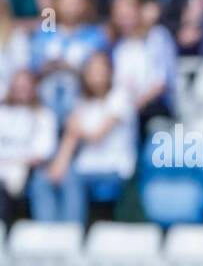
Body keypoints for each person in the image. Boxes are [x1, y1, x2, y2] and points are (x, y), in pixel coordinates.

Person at [38, 51, 136, 224]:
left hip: (114, 167)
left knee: (71, 178)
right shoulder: (80, 100)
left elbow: (95, 135)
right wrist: (58, 165)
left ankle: (69, 232)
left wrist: (75, 128)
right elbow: (70, 137)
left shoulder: (120, 96)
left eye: (100, 70)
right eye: (91, 71)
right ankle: (48, 230)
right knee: (42, 178)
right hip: (85, 166)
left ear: (110, 72)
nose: (96, 75)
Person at [28, 0, 107, 120]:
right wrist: (49, 66)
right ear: (56, 2)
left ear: (85, 4)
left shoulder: (95, 36)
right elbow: (32, 66)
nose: (70, 6)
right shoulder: (45, 32)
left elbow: (100, 72)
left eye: (75, 1)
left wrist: (71, 67)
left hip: (82, 107)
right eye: (65, 1)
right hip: (44, 109)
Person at [108, 0, 176, 142]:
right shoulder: (118, 46)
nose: (124, 16)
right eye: (119, 13)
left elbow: (162, 81)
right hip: (124, 110)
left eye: (129, 10)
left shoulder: (158, 37)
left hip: (152, 110)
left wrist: (136, 104)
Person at [0, 69, 56, 228]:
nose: (20, 91)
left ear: (34, 88)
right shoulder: (2, 112)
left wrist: (17, 163)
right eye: (17, 87)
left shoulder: (44, 115)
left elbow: (43, 151)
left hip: (29, 169)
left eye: (25, 87)